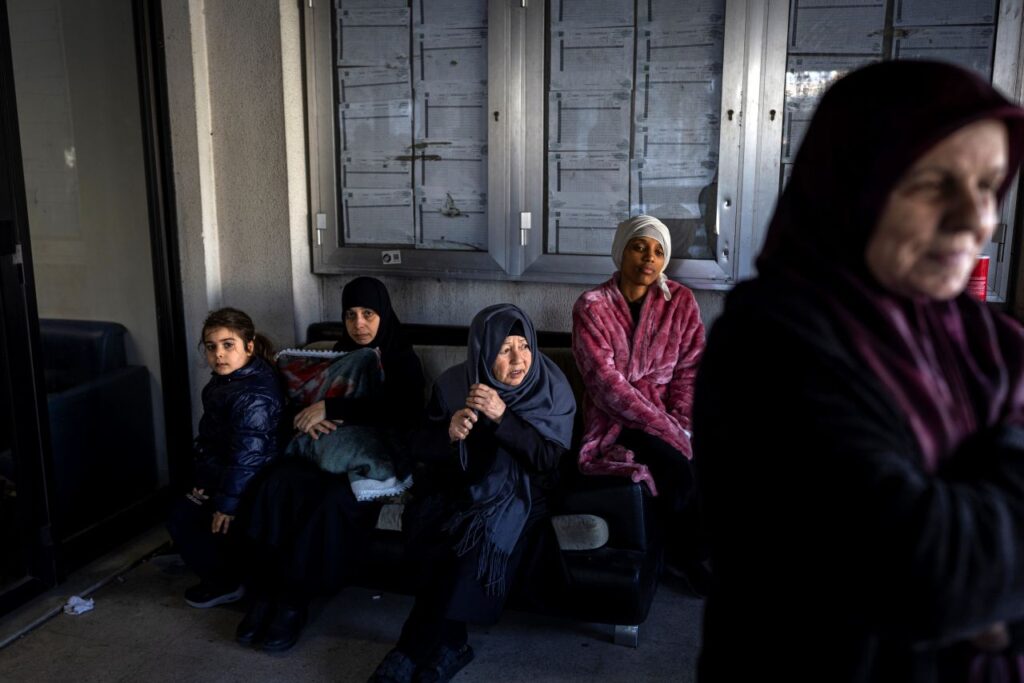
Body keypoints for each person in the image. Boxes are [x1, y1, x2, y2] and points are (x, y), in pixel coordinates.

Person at [692, 60, 1024, 682]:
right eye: (932, 184)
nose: (974, 219)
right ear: (851, 186)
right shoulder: (771, 346)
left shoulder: (982, 337)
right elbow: (923, 575)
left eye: (989, 185)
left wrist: (993, 580)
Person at [368, 304, 576, 683]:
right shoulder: (453, 384)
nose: (519, 359)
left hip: (524, 493)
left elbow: (547, 461)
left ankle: (410, 649)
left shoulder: (551, 386)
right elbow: (418, 445)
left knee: (467, 545)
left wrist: (502, 417)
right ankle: (451, 645)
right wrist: (449, 433)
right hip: (460, 487)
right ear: (482, 350)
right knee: (430, 528)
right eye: (504, 349)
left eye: (524, 345)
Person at [239, 277, 425, 652]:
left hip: (371, 461)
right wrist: (309, 416)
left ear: (383, 315)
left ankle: (292, 602)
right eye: (351, 315)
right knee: (274, 483)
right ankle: (264, 592)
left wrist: (335, 408)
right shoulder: (334, 358)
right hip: (321, 453)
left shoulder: (401, 358)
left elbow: (403, 411)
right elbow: (300, 402)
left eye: (368, 314)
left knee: (330, 503)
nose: (359, 324)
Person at [571, 215, 707, 589]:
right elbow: (604, 382)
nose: (649, 258)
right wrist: (667, 429)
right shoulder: (592, 305)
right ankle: (686, 558)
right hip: (616, 420)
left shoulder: (680, 301)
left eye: (659, 251)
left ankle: (689, 551)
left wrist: (683, 422)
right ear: (621, 250)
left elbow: (690, 370)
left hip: (670, 416)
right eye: (639, 246)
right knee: (674, 461)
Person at [167, 307, 283, 608]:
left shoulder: (252, 396)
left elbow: (248, 457)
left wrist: (226, 506)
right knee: (180, 497)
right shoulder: (231, 379)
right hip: (222, 468)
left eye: (228, 345)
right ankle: (200, 554)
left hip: (248, 479)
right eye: (211, 347)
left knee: (181, 515)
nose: (219, 354)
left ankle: (223, 584)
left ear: (249, 346)